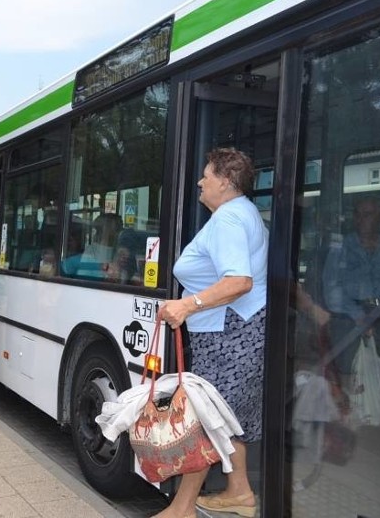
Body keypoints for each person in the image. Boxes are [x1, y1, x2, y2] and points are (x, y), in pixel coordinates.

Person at [157, 148, 268, 518]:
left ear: (224, 180)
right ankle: (239, 491)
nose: (201, 182)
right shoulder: (245, 213)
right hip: (238, 330)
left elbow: (239, 281)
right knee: (228, 417)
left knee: (205, 421)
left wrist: (187, 305)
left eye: (206, 175)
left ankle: (182, 509)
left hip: (228, 333)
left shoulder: (228, 220)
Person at [321, 196, 380, 375]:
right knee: (352, 376)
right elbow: (331, 288)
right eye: (357, 214)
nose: (360, 219)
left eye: (367, 214)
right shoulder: (341, 245)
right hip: (350, 320)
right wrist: (358, 315)